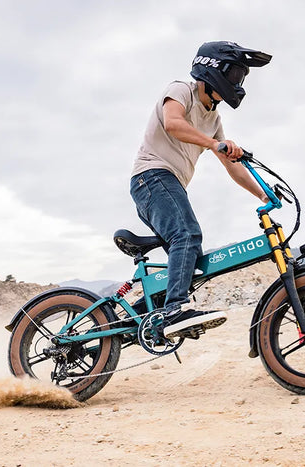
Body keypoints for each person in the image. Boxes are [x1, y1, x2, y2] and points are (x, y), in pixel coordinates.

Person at [129, 41, 272, 339]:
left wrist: (263, 193)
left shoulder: (214, 118)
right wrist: (213, 143)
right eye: (234, 75)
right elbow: (173, 123)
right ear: (212, 68)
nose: (238, 82)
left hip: (167, 184)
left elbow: (231, 165)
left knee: (191, 256)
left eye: (241, 77)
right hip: (151, 177)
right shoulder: (182, 90)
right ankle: (174, 311)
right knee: (187, 235)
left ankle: (145, 316)